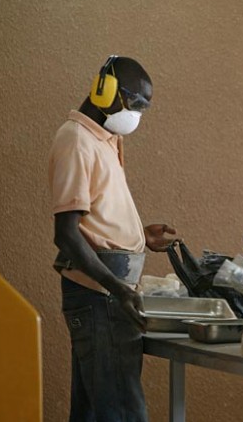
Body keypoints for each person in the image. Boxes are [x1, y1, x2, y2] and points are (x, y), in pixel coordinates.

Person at [48, 55, 177, 422]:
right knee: (121, 409)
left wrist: (139, 236)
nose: (137, 115)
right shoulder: (77, 140)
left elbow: (96, 217)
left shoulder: (103, 140)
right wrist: (117, 288)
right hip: (100, 293)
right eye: (135, 103)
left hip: (104, 292)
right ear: (104, 91)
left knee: (95, 409)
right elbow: (67, 235)